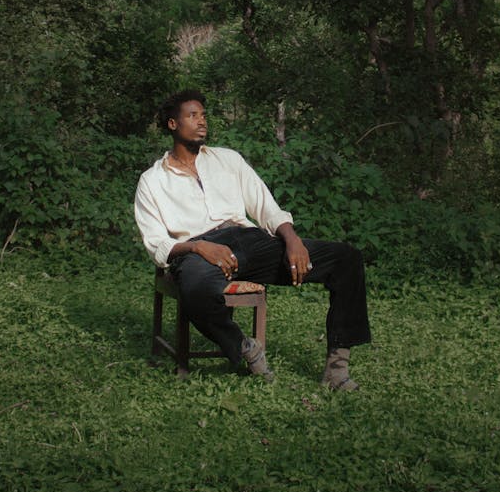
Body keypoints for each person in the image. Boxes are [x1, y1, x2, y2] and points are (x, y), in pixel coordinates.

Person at [134, 90, 371, 389]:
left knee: (346, 259)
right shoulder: (153, 180)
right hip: (200, 251)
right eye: (192, 116)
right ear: (172, 124)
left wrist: (291, 238)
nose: (202, 121)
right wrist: (197, 246)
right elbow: (156, 242)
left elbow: (265, 206)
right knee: (193, 288)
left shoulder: (228, 160)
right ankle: (244, 346)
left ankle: (337, 369)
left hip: (249, 241)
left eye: (204, 115)